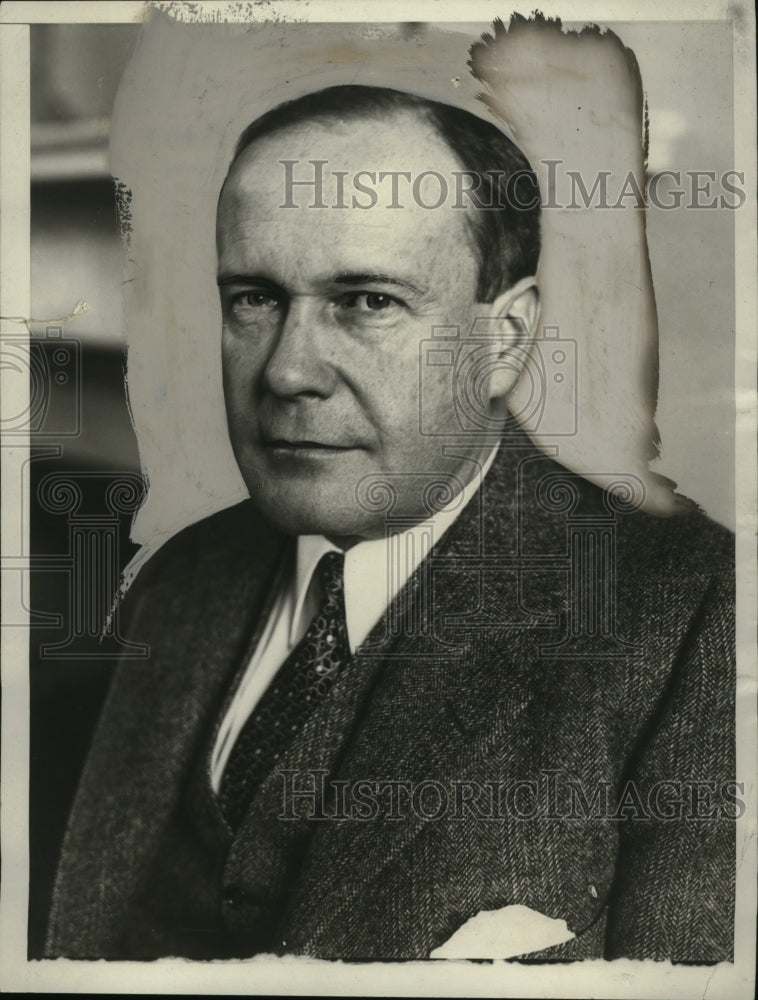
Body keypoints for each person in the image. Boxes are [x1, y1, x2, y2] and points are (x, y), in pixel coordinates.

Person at [46, 85, 735, 963]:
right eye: (254, 298)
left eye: (367, 301)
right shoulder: (176, 577)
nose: (289, 372)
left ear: (507, 338)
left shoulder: (693, 610)